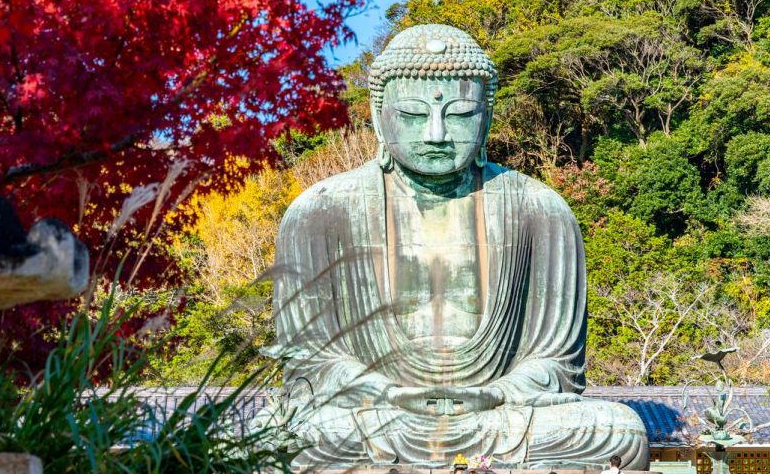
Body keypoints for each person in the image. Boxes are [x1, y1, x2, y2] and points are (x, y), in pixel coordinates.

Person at [255, 25, 650, 470]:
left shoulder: (539, 210)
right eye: (412, 114)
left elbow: (558, 366)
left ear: (486, 116)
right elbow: (309, 366)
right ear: (378, 114)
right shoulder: (321, 211)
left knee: (620, 430)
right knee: (272, 436)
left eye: (460, 114)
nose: (437, 133)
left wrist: (498, 393)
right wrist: (386, 392)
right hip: (375, 418)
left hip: (499, 418)